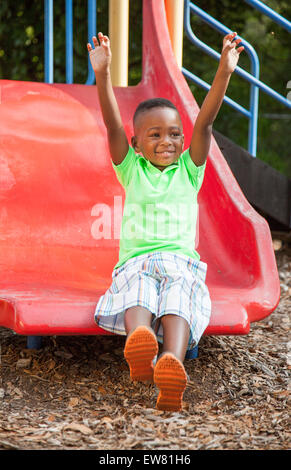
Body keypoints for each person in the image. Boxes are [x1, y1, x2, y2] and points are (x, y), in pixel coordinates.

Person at [87, 31, 244, 411]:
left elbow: (204, 124)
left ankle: (170, 362)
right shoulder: (131, 168)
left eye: (174, 134)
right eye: (155, 135)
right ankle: (140, 341)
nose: (167, 142)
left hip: (180, 262)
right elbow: (111, 125)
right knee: (137, 288)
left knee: (179, 295)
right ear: (137, 143)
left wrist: (224, 71)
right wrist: (104, 74)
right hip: (137, 261)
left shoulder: (190, 171)